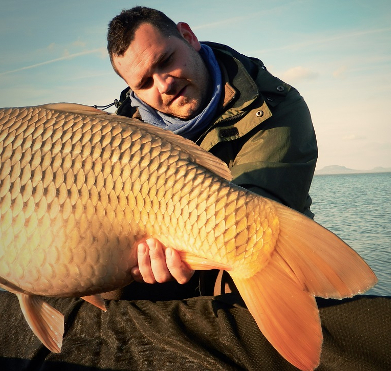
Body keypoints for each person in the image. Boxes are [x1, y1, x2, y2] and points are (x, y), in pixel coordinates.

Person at [105, 6, 318, 300]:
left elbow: (253, 220)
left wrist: (180, 245)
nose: (164, 84)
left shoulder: (273, 106)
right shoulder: (117, 138)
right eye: (144, 82)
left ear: (188, 36)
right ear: (133, 91)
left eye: (166, 60)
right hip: (163, 272)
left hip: (255, 256)